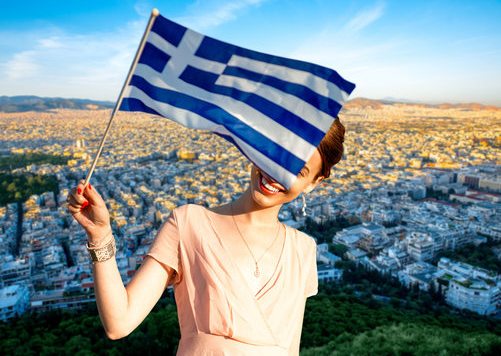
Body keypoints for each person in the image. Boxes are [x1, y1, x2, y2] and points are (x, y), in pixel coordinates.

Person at [67, 118, 345, 355]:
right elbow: (119, 323)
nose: (276, 173)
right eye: (275, 155)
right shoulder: (189, 223)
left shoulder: (303, 249)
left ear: (314, 183)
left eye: (298, 170)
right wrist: (100, 235)